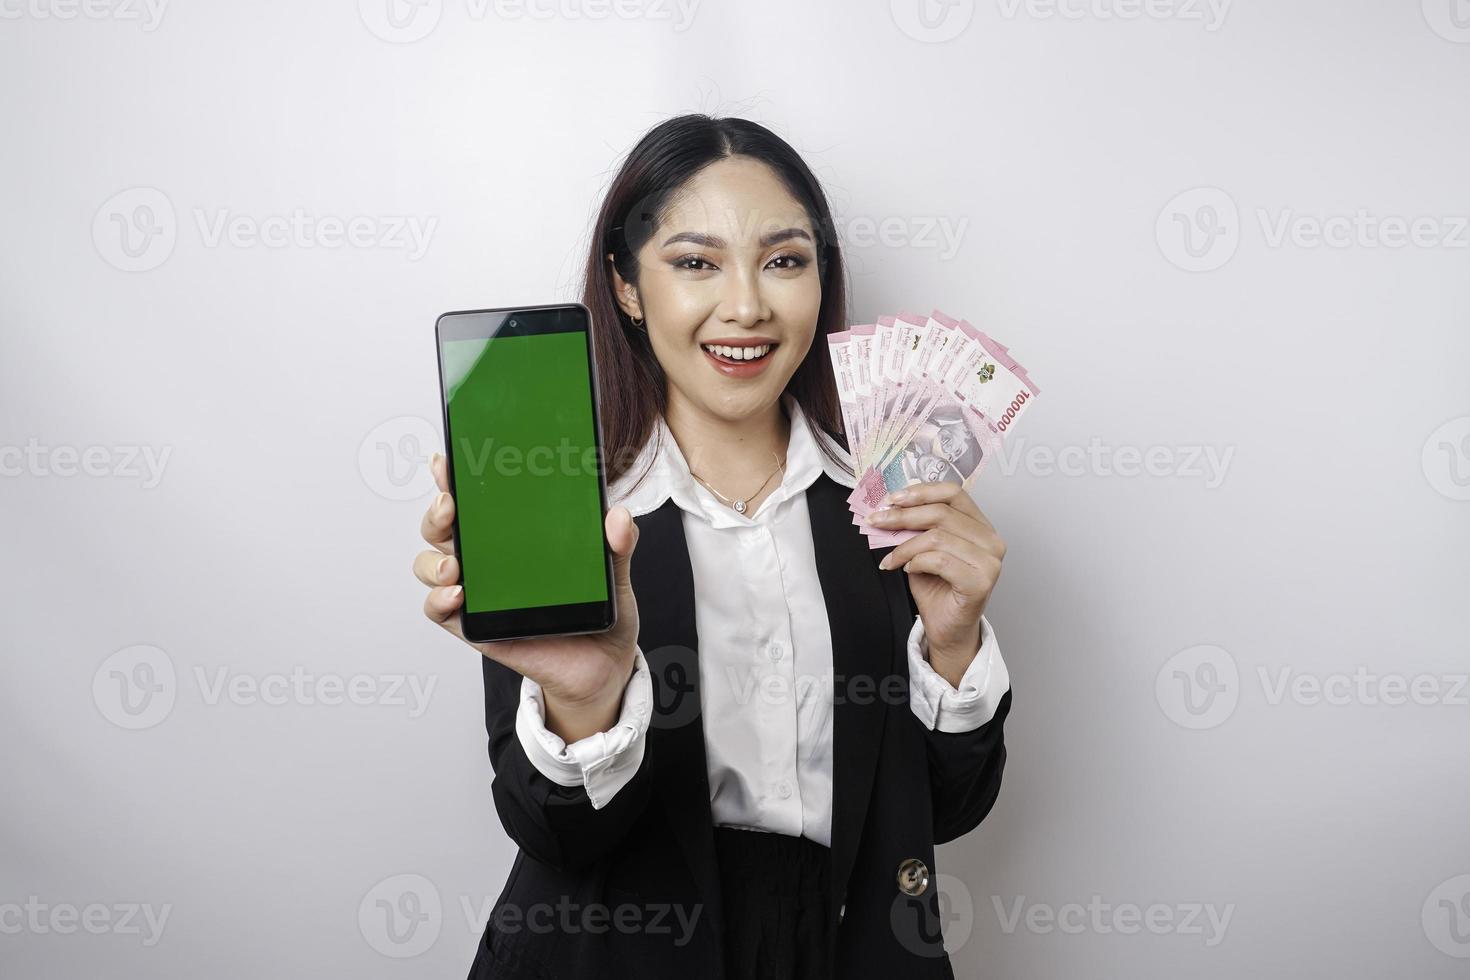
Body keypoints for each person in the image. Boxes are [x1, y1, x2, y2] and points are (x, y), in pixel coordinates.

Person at [412, 114, 1013, 979]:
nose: (747, 305)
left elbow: (947, 809)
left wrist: (954, 645)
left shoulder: (895, 509)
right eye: (695, 262)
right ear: (626, 286)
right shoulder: (574, 522)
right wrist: (588, 701)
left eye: (785, 260)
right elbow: (554, 832)